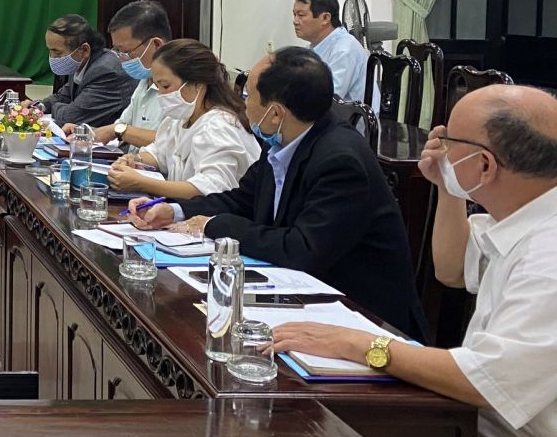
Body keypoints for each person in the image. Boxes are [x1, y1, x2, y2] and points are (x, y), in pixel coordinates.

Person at [269, 85, 557, 437]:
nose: (440, 147)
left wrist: (357, 344)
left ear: (484, 165)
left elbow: (486, 381)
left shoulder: (546, 258)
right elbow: (453, 270)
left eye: (449, 140)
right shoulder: (524, 213)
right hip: (466, 422)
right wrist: (448, 188)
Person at [129, 47, 428, 340]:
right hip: (305, 298)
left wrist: (213, 225)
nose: (243, 104)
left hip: (367, 321)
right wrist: (176, 210)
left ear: (275, 113)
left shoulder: (340, 162)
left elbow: (301, 249)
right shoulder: (283, 140)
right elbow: (241, 199)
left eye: (248, 97)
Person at [106, 38, 258, 199]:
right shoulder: (181, 118)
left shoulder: (220, 126)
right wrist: (134, 160)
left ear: (197, 85)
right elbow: (160, 153)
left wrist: (142, 183)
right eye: (158, 87)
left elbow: (210, 189)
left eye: (165, 86)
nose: (160, 94)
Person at [63, 0, 170, 147]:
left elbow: (172, 142)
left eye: (125, 51)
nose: (120, 58)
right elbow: (119, 131)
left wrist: (116, 130)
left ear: (156, 45)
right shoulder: (144, 81)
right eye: (117, 51)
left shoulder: (181, 89)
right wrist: (87, 133)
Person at [36, 14, 135, 131]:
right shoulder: (79, 61)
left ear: (84, 50)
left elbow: (71, 117)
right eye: (50, 51)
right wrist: (39, 106)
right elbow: (64, 96)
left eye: (57, 53)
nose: (52, 57)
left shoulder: (105, 71)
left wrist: (53, 107)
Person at [293, 0, 367, 102]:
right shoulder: (312, 48)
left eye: (301, 15)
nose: (295, 21)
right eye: (294, 15)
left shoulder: (345, 51)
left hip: (347, 113)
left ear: (325, 18)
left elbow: (327, 99)